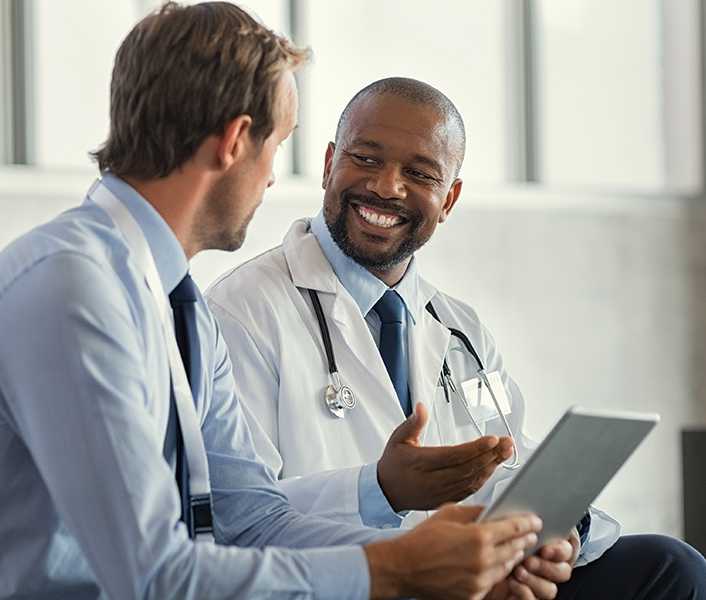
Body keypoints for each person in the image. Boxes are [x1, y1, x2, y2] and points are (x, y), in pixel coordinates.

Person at [0, 4, 551, 600]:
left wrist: (445, 559)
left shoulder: (178, 306)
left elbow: (249, 521)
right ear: (235, 141)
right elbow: (155, 575)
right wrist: (400, 569)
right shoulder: (71, 290)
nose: (275, 176)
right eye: (278, 144)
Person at [205, 77, 706, 598]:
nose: (387, 187)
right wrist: (380, 490)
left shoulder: (459, 329)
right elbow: (239, 519)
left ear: (449, 199)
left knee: (670, 568)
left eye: (419, 173)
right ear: (330, 162)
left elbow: (509, 466)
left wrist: (559, 533)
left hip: (472, 579)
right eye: (367, 159)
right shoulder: (243, 312)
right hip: (357, 583)